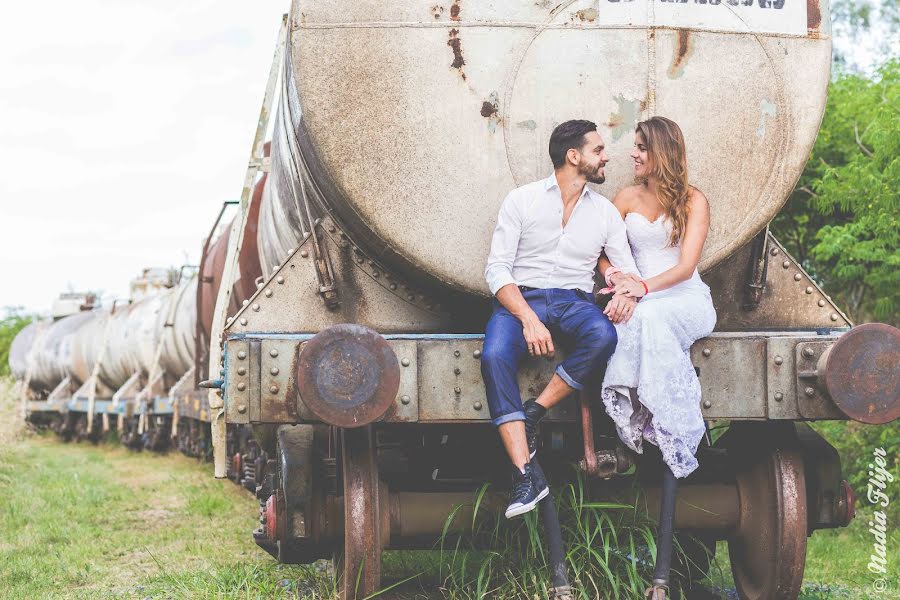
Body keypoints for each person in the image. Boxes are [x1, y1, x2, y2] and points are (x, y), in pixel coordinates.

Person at [481, 119, 640, 519]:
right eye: (598, 150)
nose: (607, 157)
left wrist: (624, 288)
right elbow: (497, 271)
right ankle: (523, 476)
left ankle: (534, 413)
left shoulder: (604, 212)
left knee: (603, 336)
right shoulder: (522, 200)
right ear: (574, 157)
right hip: (522, 298)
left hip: (573, 300)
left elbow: (627, 269)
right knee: (494, 356)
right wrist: (529, 320)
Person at [597, 116, 717, 599]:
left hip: (682, 297)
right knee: (631, 317)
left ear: (663, 151)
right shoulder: (624, 199)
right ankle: (649, 419)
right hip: (639, 295)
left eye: (642, 148)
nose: (634, 156)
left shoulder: (693, 200)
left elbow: (686, 265)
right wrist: (618, 282)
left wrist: (641, 288)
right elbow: (601, 254)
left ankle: (664, 421)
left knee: (644, 318)